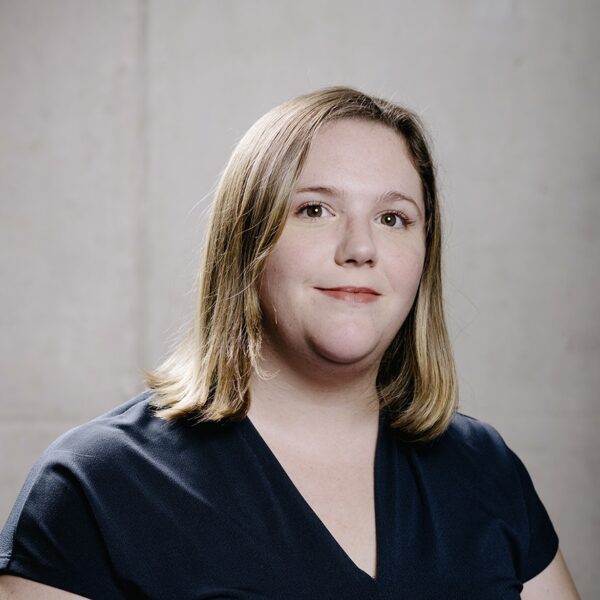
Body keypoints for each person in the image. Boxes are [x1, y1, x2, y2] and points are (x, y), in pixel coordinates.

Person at [0, 87, 579, 599]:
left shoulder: (485, 468)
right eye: (314, 210)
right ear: (246, 241)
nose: (360, 248)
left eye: (393, 218)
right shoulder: (97, 485)